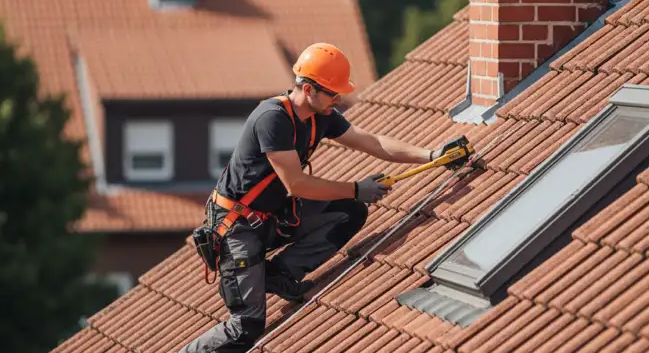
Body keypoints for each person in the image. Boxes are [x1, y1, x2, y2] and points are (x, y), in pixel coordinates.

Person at [180, 43, 450, 353]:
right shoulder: (273, 119)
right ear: (308, 89)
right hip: (237, 229)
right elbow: (296, 184)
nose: (338, 100)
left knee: (349, 211)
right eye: (333, 94)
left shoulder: (321, 116)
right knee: (246, 327)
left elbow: (372, 142)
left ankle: (279, 275)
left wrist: (432, 155)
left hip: (272, 219)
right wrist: (356, 187)